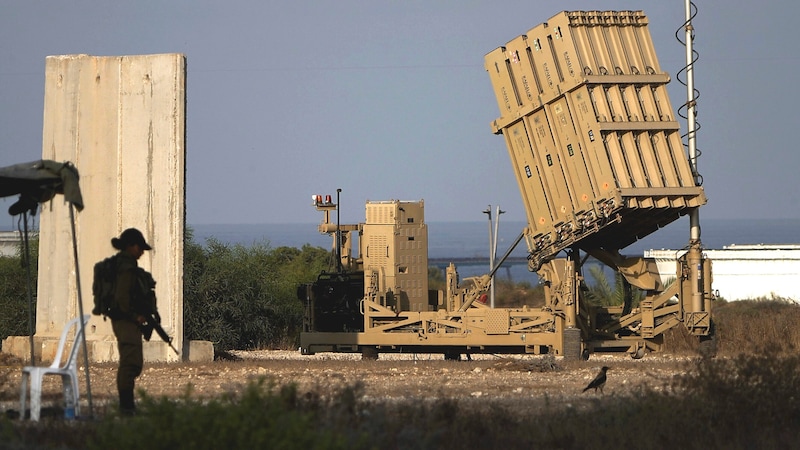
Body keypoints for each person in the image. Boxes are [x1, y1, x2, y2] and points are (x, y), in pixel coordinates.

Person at [109, 227, 154, 415]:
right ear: (130, 246)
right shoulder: (126, 268)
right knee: (130, 363)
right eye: (139, 247)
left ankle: (127, 405)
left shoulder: (125, 265)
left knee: (133, 362)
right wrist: (136, 316)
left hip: (126, 319)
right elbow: (122, 300)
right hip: (125, 320)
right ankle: (126, 406)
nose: (142, 252)